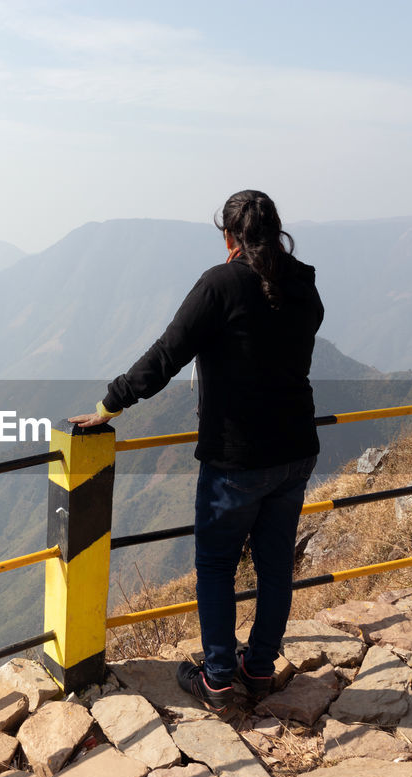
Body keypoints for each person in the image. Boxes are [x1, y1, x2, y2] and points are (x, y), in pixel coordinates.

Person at [69, 189, 323, 713]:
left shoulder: (221, 283)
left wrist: (109, 404)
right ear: (275, 231)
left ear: (229, 236)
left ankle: (219, 678)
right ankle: (258, 668)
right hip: (297, 449)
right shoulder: (303, 283)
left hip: (238, 459)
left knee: (215, 564)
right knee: (276, 565)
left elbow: (167, 353)